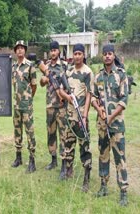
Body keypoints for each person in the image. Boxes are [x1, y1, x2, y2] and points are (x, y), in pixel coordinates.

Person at [91, 44, 129, 206]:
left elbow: (123, 100)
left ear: (114, 56)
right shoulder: (98, 76)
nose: (107, 56)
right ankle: (104, 185)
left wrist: (111, 116)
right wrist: (99, 109)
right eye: (105, 54)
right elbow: (92, 96)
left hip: (116, 125)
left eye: (110, 54)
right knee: (103, 155)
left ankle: (123, 191)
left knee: (119, 157)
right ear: (102, 56)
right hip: (102, 124)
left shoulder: (121, 75)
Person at [58, 44, 93, 191]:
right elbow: (60, 90)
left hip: (80, 118)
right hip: (69, 117)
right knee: (68, 147)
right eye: (75, 53)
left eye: (80, 53)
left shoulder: (87, 72)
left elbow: (89, 95)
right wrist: (68, 97)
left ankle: (86, 178)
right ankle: (68, 171)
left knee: (84, 148)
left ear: (83, 55)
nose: (77, 56)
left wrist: (84, 116)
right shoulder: (69, 71)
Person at [40, 41, 68, 179]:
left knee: (63, 135)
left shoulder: (65, 66)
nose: (53, 53)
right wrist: (44, 79)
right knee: (51, 134)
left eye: (55, 50)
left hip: (62, 107)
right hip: (50, 106)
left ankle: (64, 164)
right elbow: (40, 83)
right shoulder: (46, 66)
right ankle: (53, 160)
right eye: (51, 50)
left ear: (59, 51)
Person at [11, 40, 37, 173]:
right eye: (17, 48)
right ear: (15, 51)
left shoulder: (30, 66)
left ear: (25, 50)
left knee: (29, 132)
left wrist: (28, 99)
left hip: (26, 106)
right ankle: (18, 157)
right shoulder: (14, 66)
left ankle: (32, 160)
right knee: (17, 131)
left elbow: (34, 85)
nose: (20, 50)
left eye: (22, 48)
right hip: (16, 105)